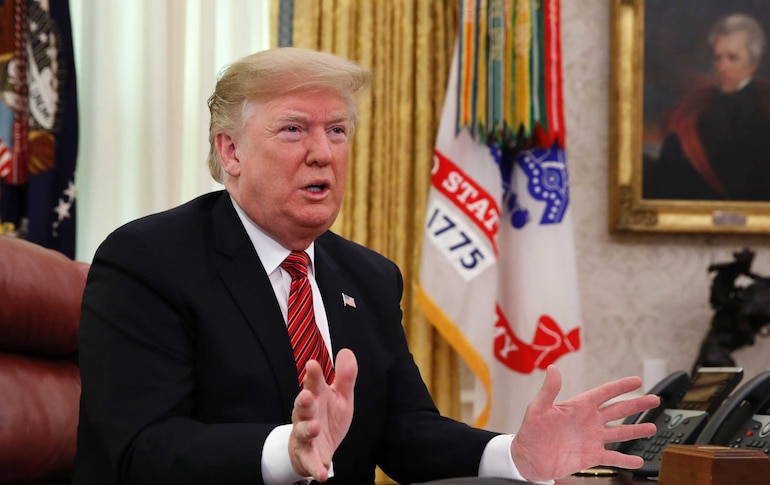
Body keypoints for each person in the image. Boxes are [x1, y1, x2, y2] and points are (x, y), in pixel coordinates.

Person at [72, 47, 660, 485]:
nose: (322, 151)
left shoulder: (368, 278)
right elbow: (141, 449)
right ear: (230, 152)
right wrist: (286, 451)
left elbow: (404, 432)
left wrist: (514, 454)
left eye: (337, 130)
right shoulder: (149, 259)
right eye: (294, 129)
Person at [643, 13, 770, 202]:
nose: (721, 67)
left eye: (732, 58)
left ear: (753, 64)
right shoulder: (694, 111)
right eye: (717, 58)